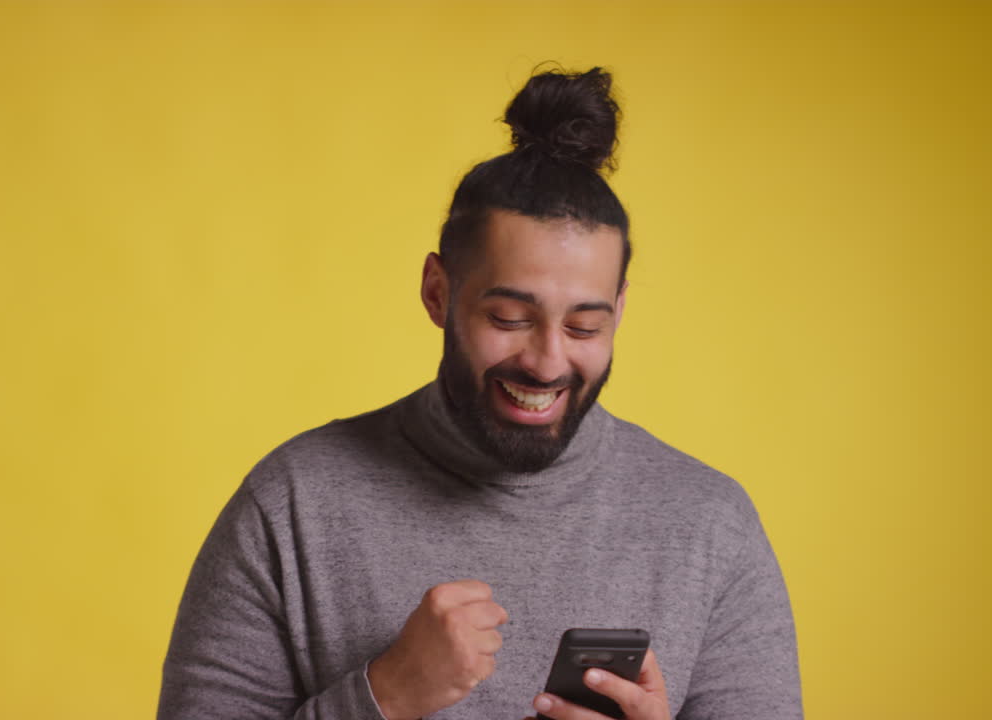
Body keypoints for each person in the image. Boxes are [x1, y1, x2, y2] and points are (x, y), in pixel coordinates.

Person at [158, 67, 802, 720]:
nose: (548, 362)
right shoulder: (291, 506)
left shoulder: (711, 527)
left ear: (620, 310)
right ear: (439, 292)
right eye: (509, 319)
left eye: (585, 325)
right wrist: (383, 696)